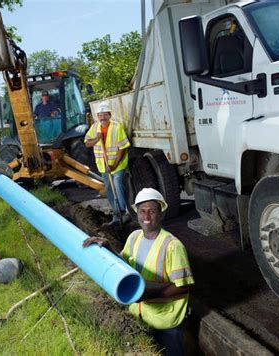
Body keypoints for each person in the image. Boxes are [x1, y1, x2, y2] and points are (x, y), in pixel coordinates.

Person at [83, 188, 194, 356]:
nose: (147, 216)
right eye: (142, 211)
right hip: (140, 316)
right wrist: (108, 248)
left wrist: (149, 295)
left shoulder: (173, 246)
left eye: (152, 211)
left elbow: (184, 287)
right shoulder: (134, 237)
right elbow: (125, 263)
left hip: (165, 322)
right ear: (137, 214)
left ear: (161, 214)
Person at [84, 102, 130, 225]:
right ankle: (116, 214)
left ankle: (124, 211)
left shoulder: (117, 127)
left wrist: (114, 165)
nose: (103, 117)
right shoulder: (94, 128)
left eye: (105, 115)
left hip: (117, 165)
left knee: (117, 184)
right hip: (103, 165)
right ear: (97, 116)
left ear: (109, 115)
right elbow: (87, 143)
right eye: (100, 115)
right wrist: (97, 139)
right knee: (109, 189)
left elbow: (123, 147)